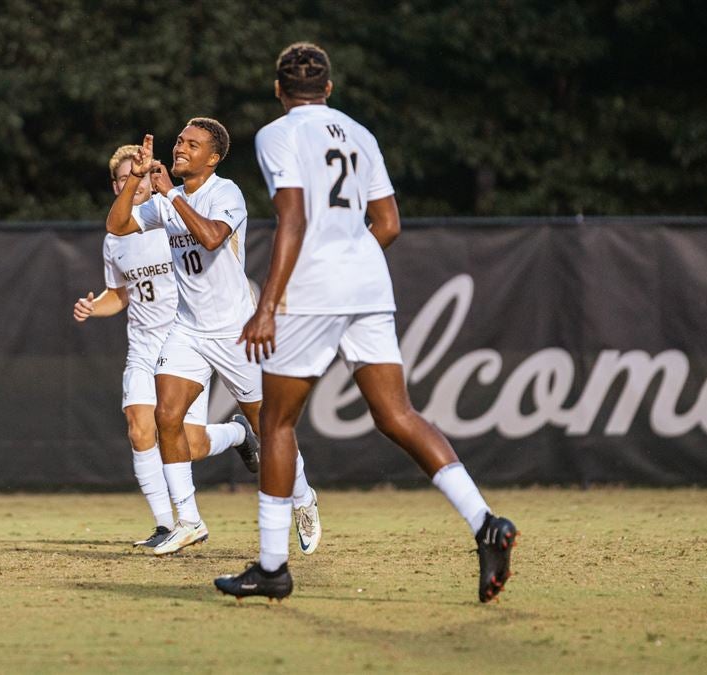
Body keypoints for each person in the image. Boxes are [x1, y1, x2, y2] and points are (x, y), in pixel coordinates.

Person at [215, 43, 517, 603]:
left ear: (279, 91)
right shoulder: (360, 132)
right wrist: (352, 260)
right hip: (370, 283)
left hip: (314, 290)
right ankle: (485, 524)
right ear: (329, 88)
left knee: (276, 423)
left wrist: (268, 304)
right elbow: (389, 223)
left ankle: (273, 568)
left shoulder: (277, 134)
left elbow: (294, 216)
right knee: (398, 414)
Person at [106, 122, 322, 556]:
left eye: (192, 144)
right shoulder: (167, 198)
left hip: (234, 330)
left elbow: (210, 236)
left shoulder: (225, 193)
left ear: (213, 157)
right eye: (180, 141)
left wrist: (168, 195)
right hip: (187, 328)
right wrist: (135, 180)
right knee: (166, 415)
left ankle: (304, 498)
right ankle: (188, 521)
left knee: (269, 426)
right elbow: (118, 225)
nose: (181, 148)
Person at [75, 144, 259, 550]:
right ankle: (166, 524)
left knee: (187, 444)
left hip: (187, 342)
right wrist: (94, 306)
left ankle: (235, 434)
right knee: (140, 430)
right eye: (124, 178)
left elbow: (213, 263)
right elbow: (119, 295)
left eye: (136, 175)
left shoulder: (171, 218)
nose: (131, 183)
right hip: (143, 347)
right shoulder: (118, 238)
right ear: (116, 184)